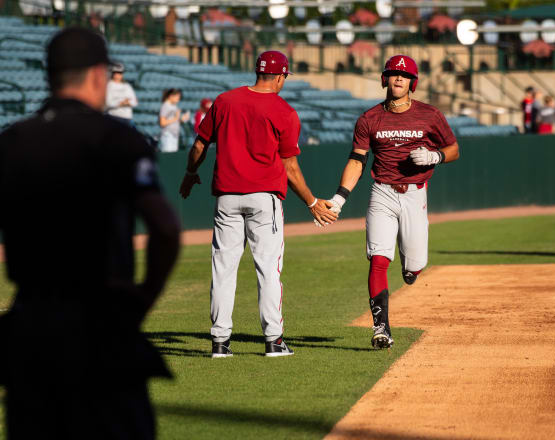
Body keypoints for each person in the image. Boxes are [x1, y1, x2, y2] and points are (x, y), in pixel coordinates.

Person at [0, 27, 180, 439]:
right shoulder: (118, 139)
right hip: (100, 324)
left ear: (50, 75)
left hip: (30, 328)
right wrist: (142, 300)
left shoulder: (11, 143)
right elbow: (165, 228)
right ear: (100, 76)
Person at [178, 50, 338, 358]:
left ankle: (220, 343)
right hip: (264, 198)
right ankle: (273, 341)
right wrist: (312, 202)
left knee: (223, 269)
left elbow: (200, 144)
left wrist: (189, 174)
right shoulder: (284, 111)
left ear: (257, 72)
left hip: (226, 197)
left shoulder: (224, 101)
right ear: (280, 77)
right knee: (267, 269)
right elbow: (290, 167)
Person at [323, 55, 459, 349]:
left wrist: (436, 156)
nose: (398, 79)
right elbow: (357, 160)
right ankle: (380, 328)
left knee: (414, 266)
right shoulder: (369, 118)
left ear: (413, 82)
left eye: (404, 75)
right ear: (385, 79)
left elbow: (454, 148)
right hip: (382, 192)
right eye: (393, 74)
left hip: (415, 193)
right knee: (378, 258)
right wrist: (339, 197)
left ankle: (411, 268)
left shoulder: (430, 115)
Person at [159, 88, 189, 152]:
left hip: (174, 135)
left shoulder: (174, 106)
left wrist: (181, 119)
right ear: (171, 96)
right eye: (177, 96)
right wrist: (176, 118)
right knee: (168, 156)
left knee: (173, 155)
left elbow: (175, 120)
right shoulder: (166, 106)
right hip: (168, 135)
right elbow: (162, 123)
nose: (178, 98)